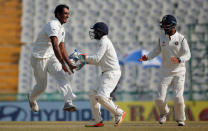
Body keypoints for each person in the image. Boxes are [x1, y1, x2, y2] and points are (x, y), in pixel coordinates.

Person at [139, 15, 191, 126]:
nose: (163, 27)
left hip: (179, 72)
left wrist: (179, 59)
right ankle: (164, 113)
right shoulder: (162, 38)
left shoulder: (181, 39)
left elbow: (188, 54)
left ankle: (180, 119)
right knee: (159, 99)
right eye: (163, 25)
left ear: (173, 26)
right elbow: (156, 51)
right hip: (165, 72)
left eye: (166, 25)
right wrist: (147, 57)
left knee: (178, 98)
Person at [27, 4, 77, 112]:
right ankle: (31, 98)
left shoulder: (62, 28)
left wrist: (70, 64)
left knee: (62, 76)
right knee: (41, 87)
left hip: (51, 56)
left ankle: (68, 102)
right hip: (38, 58)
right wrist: (63, 64)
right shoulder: (53, 24)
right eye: (65, 13)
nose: (67, 16)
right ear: (58, 14)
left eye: (68, 13)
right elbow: (55, 45)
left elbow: (62, 48)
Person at [81, 22, 125, 127]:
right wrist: (84, 60)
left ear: (100, 32)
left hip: (112, 73)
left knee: (101, 97)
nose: (94, 33)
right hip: (106, 72)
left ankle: (119, 113)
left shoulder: (104, 42)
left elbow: (96, 60)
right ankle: (97, 120)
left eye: (95, 31)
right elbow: (99, 61)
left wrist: (83, 58)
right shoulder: (103, 41)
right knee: (93, 93)